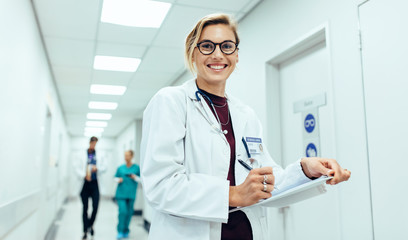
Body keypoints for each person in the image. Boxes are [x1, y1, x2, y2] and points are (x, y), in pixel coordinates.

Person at [140, 13, 351, 240]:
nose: (218, 54)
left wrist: (305, 170)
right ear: (193, 53)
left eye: (227, 46)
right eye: (207, 46)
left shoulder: (245, 114)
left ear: (237, 55)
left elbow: (265, 181)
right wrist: (232, 195)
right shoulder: (171, 101)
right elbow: (160, 185)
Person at [75, 136, 107, 240]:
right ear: (89, 143)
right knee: (85, 208)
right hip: (85, 184)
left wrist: (97, 168)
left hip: (95, 184)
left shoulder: (99, 154)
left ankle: (90, 224)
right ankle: (85, 231)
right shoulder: (81, 153)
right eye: (92, 143)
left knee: (96, 206)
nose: (94, 145)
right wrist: (84, 174)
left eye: (95, 143)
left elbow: (105, 167)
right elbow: (75, 167)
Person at [114, 150, 141, 239]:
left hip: (131, 194)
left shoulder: (136, 168)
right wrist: (119, 180)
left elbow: (141, 180)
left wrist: (135, 177)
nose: (126, 157)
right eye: (125, 155)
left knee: (129, 213)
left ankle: (126, 230)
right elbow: (115, 177)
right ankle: (120, 231)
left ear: (132, 156)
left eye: (128, 155)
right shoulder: (120, 168)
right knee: (122, 212)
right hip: (121, 194)